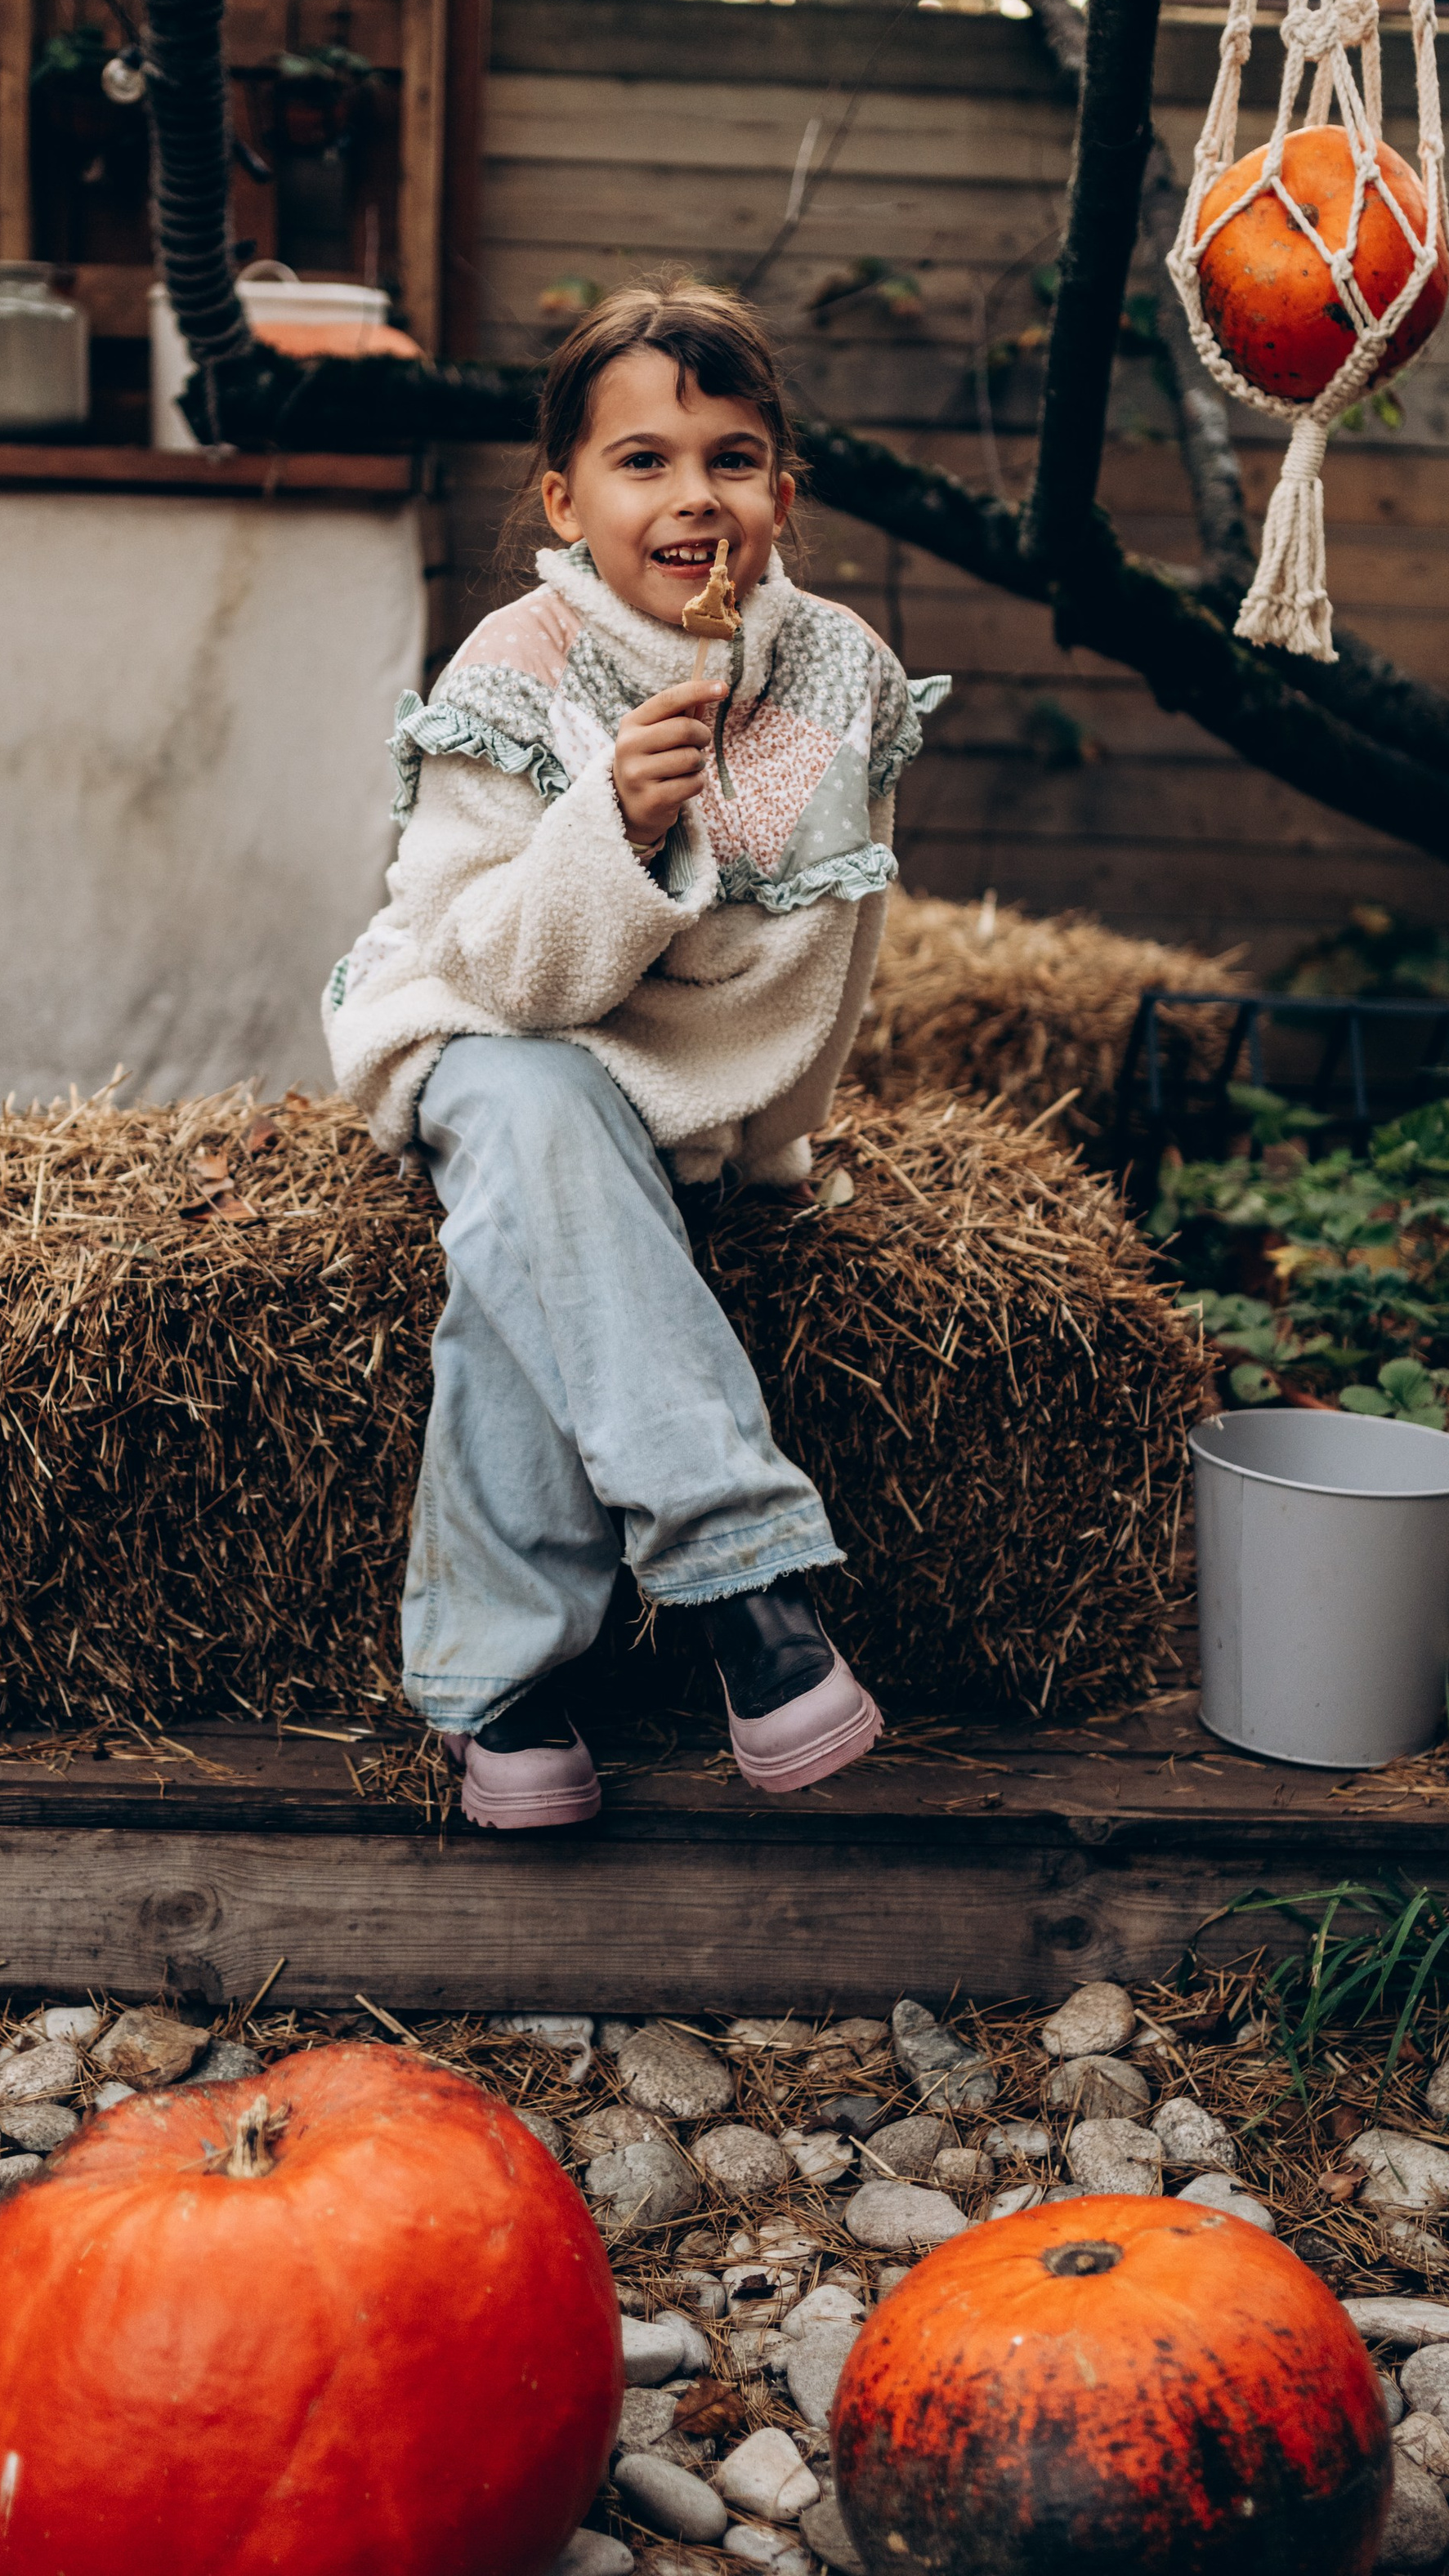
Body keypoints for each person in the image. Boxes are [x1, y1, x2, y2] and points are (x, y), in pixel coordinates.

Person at [325, 279, 946, 1830]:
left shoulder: (838, 673)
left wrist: (757, 1134)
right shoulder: (516, 665)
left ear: (784, 496)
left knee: (527, 1255)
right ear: (566, 497)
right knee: (537, 1113)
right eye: (643, 461)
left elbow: (825, 960)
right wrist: (615, 823)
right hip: (483, 1022)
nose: (694, 498)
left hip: (663, 1080)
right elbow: (491, 965)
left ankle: (497, 1684)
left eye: (734, 459)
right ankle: (747, 1584)